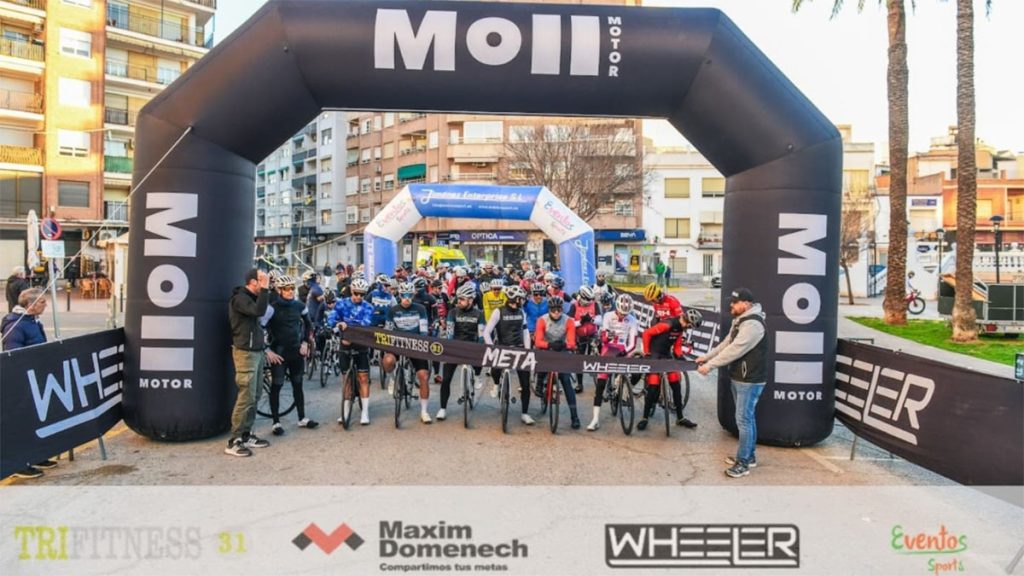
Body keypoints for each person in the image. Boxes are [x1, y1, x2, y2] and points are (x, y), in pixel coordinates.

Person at [696, 287, 767, 478]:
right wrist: (706, 357)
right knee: (747, 419)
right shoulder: (741, 320)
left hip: (749, 380)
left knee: (743, 420)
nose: (731, 305)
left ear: (746, 304)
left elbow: (735, 349)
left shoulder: (753, 325)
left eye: (735, 302)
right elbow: (726, 343)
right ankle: (749, 456)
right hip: (741, 377)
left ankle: (743, 463)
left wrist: (709, 366)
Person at [1, 287, 59, 478]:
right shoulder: (16, 325)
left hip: (35, 377)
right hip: (23, 381)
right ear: (31, 305)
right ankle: (19, 463)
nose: (46, 304)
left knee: (37, 419)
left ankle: (36, 455)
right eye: (42, 302)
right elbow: (14, 355)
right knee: (23, 422)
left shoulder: (32, 321)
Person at [262, 275, 318, 436]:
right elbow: (259, 328)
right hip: (279, 353)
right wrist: (267, 350)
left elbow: (308, 325)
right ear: (279, 290)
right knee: (277, 386)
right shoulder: (271, 308)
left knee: (298, 384)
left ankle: (302, 418)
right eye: (286, 289)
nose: (290, 291)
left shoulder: (300, 306)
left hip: (296, 351)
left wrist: (306, 343)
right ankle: (276, 422)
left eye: (292, 288)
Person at [226, 268, 272, 457]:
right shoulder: (240, 299)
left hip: (257, 351)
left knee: (255, 394)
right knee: (246, 396)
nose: (266, 282)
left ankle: (246, 433)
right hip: (245, 352)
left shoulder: (252, 298)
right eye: (262, 279)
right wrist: (265, 290)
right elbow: (258, 311)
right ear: (254, 282)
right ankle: (234, 440)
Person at [638, 308, 703, 431]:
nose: (689, 328)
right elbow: (646, 333)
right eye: (691, 326)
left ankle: (680, 417)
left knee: (675, 381)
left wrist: (681, 358)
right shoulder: (668, 324)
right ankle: (644, 418)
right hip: (654, 353)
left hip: (666, 355)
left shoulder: (680, 329)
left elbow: (677, 347)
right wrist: (646, 353)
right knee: (653, 384)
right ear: (688, 323)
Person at [483, 284, 535, 425]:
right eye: (521, 298)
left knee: (525, 383)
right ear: (514, 298)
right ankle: (496, 384)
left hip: (519, 348)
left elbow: (525, 332)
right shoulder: (498, 312)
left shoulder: (521, 312)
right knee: (495, 370)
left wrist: (527, 350)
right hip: (502, 348)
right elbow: (487, 332)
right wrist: (491, 348)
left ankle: (525, 413)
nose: (523, 300)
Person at [384, 282, 433, 423]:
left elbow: (424, 331)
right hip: (398, 343)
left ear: (413, 295)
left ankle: (424, 411)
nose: (406, 299)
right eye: (404, 296)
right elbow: (388, 331)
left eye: (409, 296)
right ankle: (393, 378)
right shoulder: (393, 310)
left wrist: (420, 343)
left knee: (423, 376)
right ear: (399, 296)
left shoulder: (420, 309)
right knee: (387, 361)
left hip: (415, 344)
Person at [588, 294, 638, 431]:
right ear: (617, 307)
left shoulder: (633, 320)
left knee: (632, 371)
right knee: (601, 382)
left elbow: (633, 343)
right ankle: (595, 419)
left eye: (626, 313)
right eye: (621, 312)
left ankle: (620, 386)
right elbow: (604, 338)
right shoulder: (608, 316)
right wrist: (607, 336)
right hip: (608, 348)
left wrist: (624, 353)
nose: (623, 315)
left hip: (623, 349)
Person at [437, 283, 486, 420]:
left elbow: (481, 335)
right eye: (458, 299)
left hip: (472, 346)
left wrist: (479, 346)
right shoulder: (453, 312)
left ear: (470, 300)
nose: (458, 302)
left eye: (462, 299)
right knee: (446, 379)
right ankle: (442, 409)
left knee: (481, 350)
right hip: (455, 346)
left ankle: (477, 375)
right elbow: (449, 333)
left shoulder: (479, 314)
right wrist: (450, 347)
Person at [330, 278, 375, 425]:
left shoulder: (368, 307)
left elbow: (366, 324)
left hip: (361, 344)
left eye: (362, 294)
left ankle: (365, 413)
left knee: (363, 378)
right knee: (346, 379)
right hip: (345, 344)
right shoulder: (341, 304)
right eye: (356, 293)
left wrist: (348, 328)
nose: (359, 297)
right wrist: (338, 323)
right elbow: (331, 319)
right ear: (351, 291)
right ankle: (346, 409)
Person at [534, 296, 581, 429]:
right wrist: (549, 345)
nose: (556, 312)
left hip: (562, 349)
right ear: (549, 309)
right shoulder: (542, 320)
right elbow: (538, 341)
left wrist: (564, 346)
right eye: (553, 310)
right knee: (540, 357)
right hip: (547, 348)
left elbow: (572, 343)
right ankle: (539, 382)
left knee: (566, 381)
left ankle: (574, 416)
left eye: (559, 309)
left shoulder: (569, 321)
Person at [567, 286, 602, 393]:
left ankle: (601, 378)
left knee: (600, 351)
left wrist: (591, 319)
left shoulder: (595, 304)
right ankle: (580, 384)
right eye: (588, 299)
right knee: (580, 360)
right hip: (580, 335)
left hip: (592, 333)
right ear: (582, 297)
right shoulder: (574, 306)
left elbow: (600, 321)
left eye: (591, 299)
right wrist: (580, 322)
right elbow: (570, 323)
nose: (590, 302)